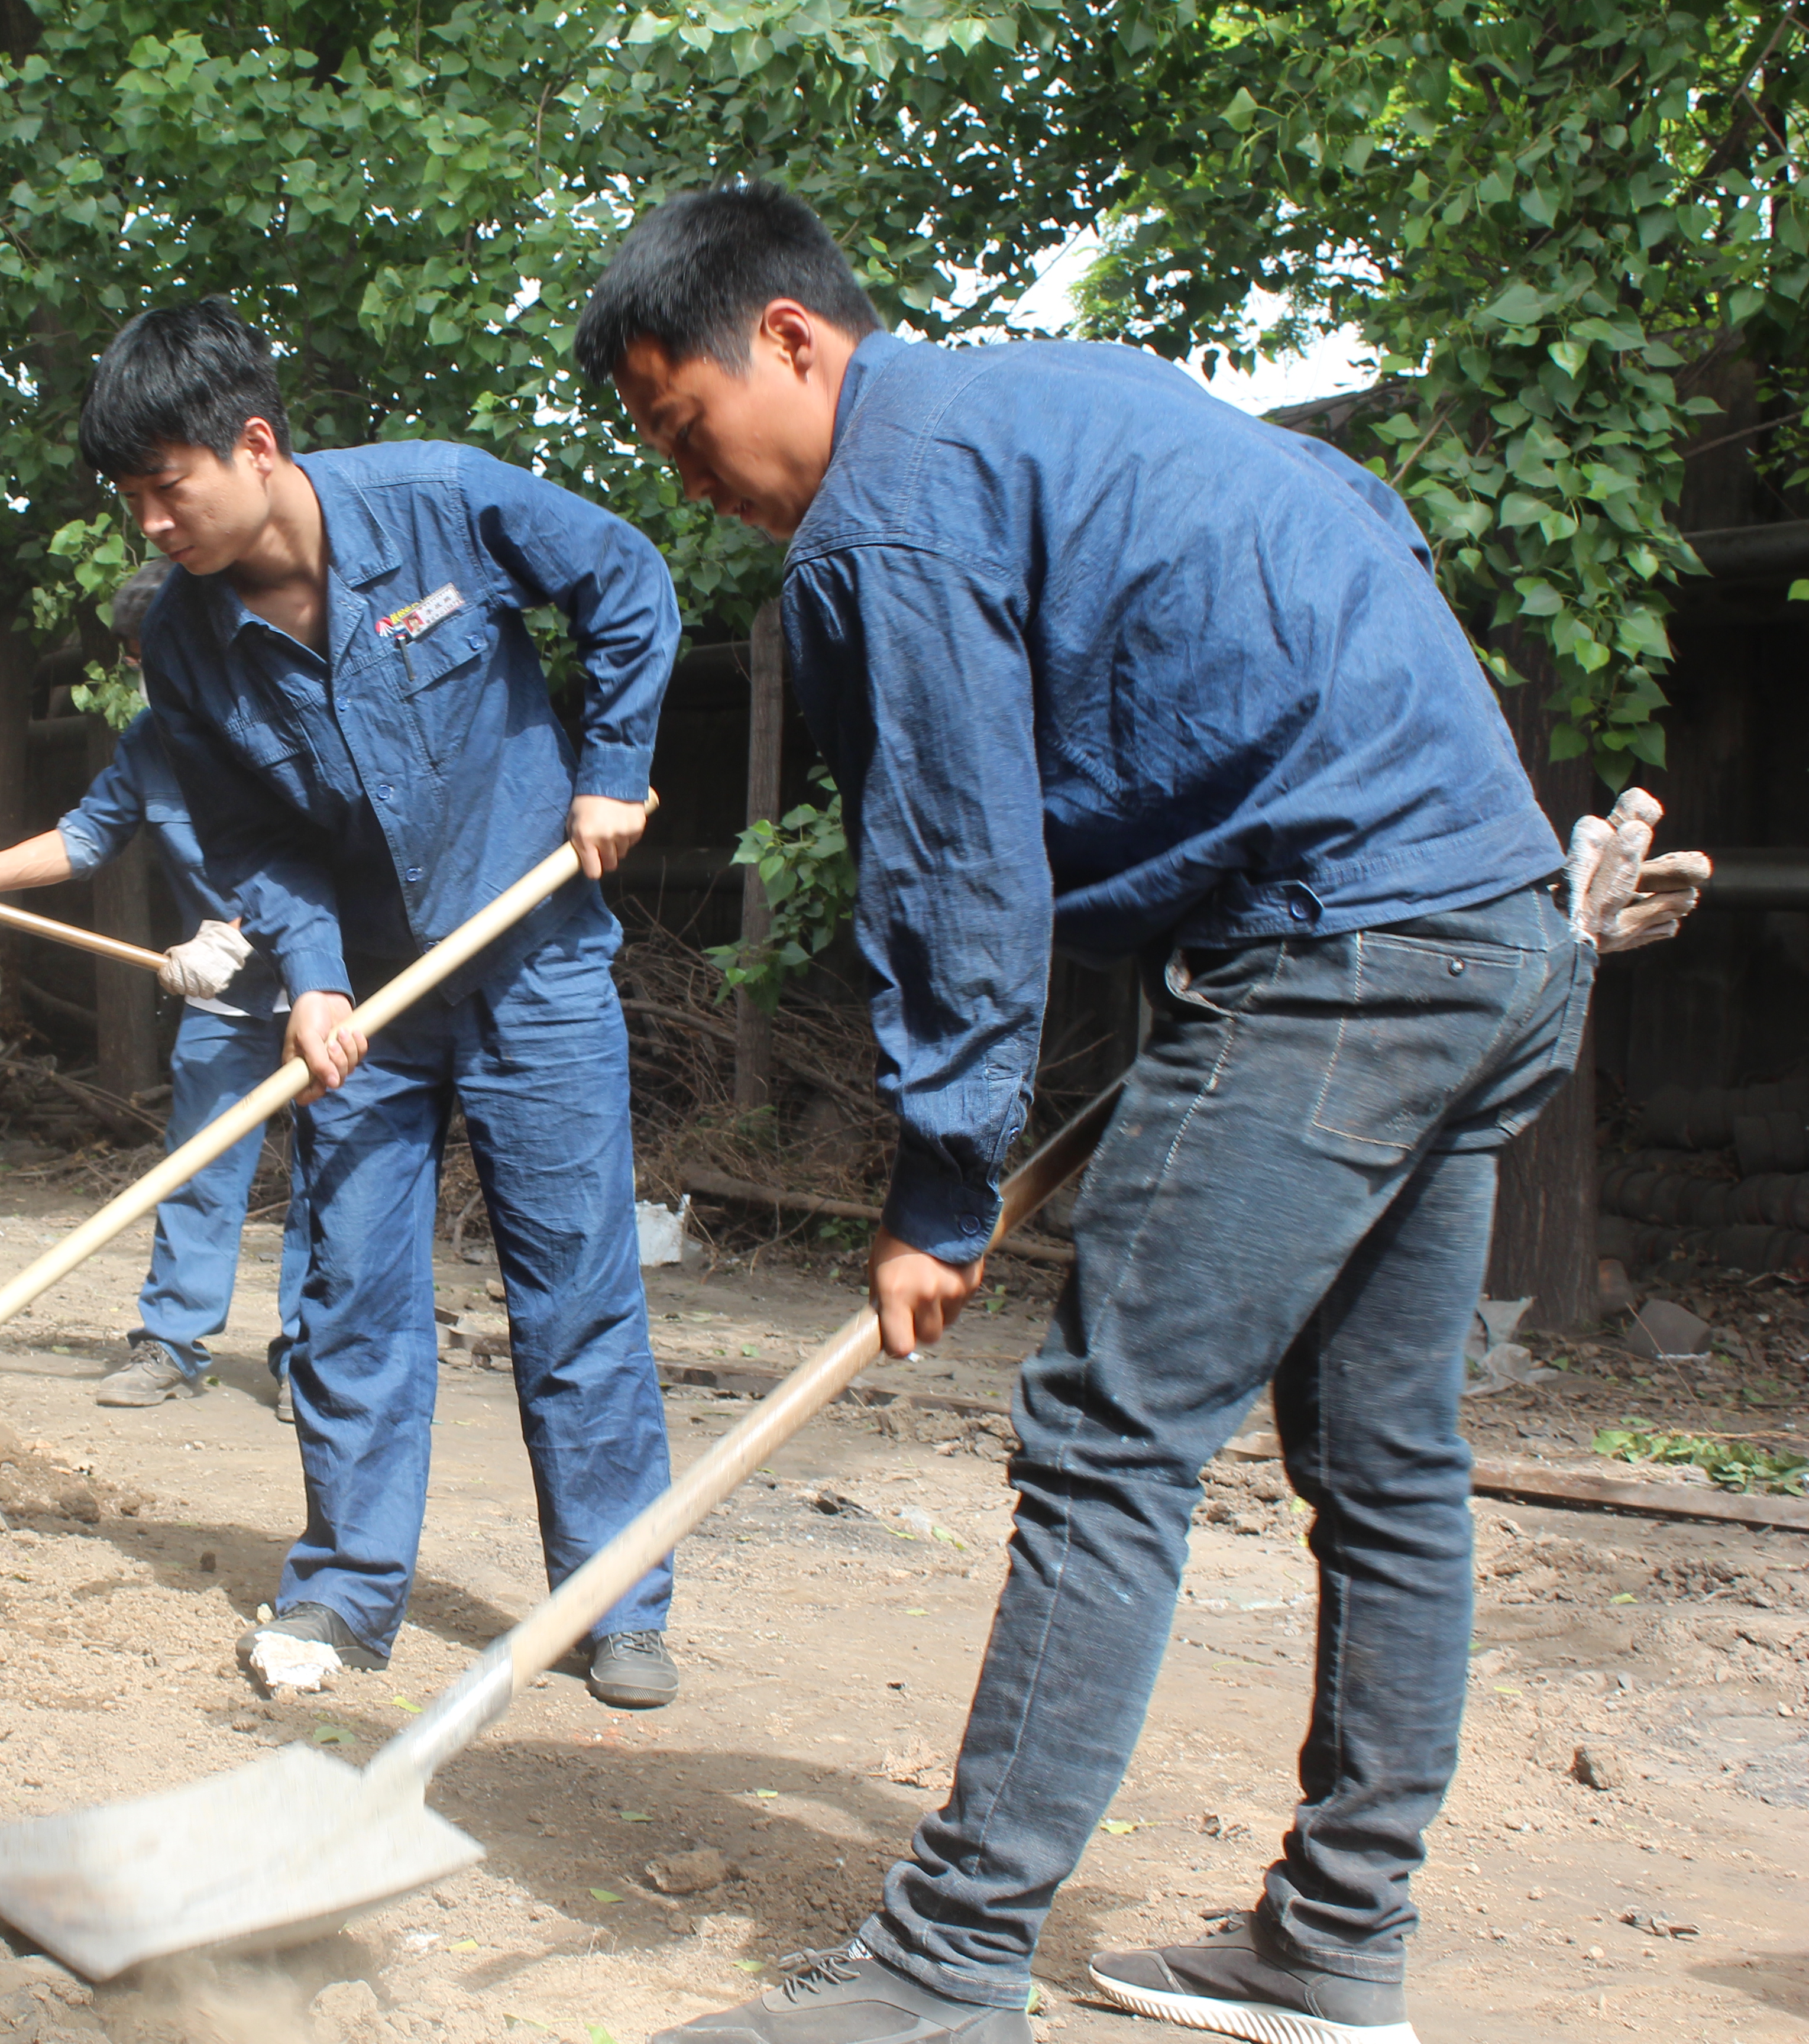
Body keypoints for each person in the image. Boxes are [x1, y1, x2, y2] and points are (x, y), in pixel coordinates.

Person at [571, 183, 1692, 2044]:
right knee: (1388, 1463)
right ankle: (1340, 1940)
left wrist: (942, 1181)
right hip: (1492, 924)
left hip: (1342, 953)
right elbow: (1369, 527)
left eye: (688, 433)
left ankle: (946, 1967)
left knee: (1107, 1433)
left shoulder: (889, 519)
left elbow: (952, 868)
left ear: (789, 339)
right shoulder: (1073, 397)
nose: (701, 488)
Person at [80, 300, 685, 1711]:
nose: (151, 526)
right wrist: (313, 973)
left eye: (166, 490)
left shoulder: (444, 500)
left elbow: (630, 581)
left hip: (533, 956)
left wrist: (612, 766)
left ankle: (614, 1598)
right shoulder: (183, 637)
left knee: (575, 1284)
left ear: (254, 444)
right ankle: (349, 1589)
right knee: (352, 1284)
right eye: (130, 502)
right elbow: (240, 834)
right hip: (365, 991)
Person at [0, 560, 313, 1414]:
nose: (148, 675)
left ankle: (312, 1358)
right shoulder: (153, 742)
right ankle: (171, 1343)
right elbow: (87, 836)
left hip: (330, 989)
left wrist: (246, 932)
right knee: (198, 1169)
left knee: (332, 1180)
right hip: (221, 997)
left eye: (154, 652)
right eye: (135, 659)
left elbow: (338, 857)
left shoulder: (297, 715)